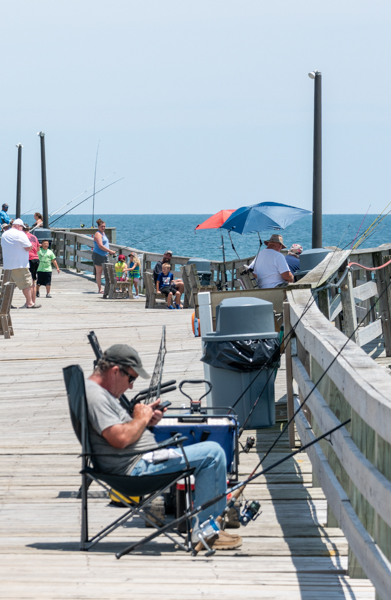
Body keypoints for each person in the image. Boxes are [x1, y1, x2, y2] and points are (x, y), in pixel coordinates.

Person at [85, 344, 240, 550]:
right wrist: (140, 419)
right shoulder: (96, 397)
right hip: (135, 472)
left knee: (208, 450)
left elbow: (117, 435)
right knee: (213, 453)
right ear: (115, 372)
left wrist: (144, 420)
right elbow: (120, 439)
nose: (131, 386)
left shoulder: (94, 392)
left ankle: (206, 527)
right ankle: (206, 532)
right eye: (130, 378)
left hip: (139, 461)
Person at [0, 219, 40, 309]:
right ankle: (29, 303)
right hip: (20, 264)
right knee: (26, 283)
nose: (22, 229)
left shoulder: (5, 234)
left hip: (7, 265)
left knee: (8, 285)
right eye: (22, 227)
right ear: (19, 226)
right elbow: (28, 247)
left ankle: (6, 304)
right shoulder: (20, 234)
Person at [92, 219, 116, 294]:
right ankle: (100, 289)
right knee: (99, 272)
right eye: (102, 226)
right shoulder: (97, 234)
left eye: (104, 226)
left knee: (108, 272)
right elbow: (100, 246)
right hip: (98, 255)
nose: (103, 228)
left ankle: (109, 288)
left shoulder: (103, 233)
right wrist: (110, 251)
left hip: (105, 255)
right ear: (98, 226)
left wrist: (108, 252)